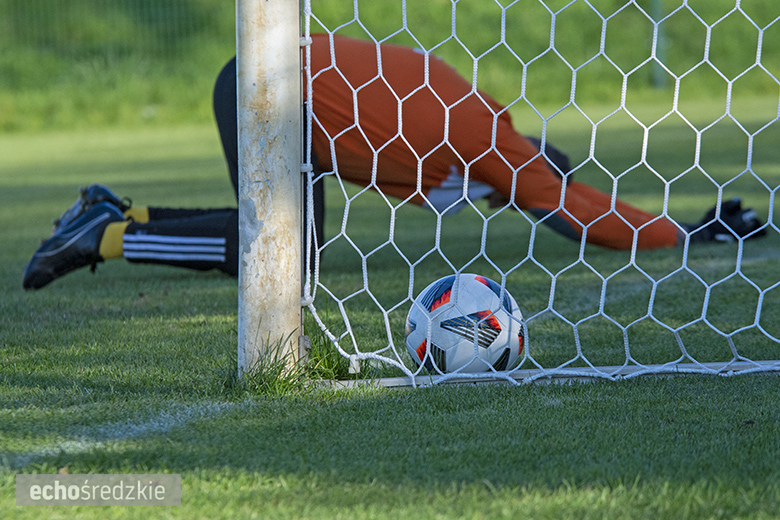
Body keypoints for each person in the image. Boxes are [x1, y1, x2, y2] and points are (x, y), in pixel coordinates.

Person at [22, 33, 766, 290]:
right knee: (291, 258)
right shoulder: (495, 144)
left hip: (278, 91)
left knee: (285, 240)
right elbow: (573, 213)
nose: (509, 198)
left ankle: (123, 215)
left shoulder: (476, 124)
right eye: (516, 189)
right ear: (527, 162)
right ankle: (105, 239)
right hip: (274, 94)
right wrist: (686, 231)